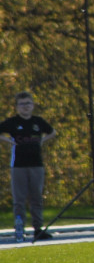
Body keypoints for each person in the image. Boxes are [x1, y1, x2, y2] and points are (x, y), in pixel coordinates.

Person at [0, 91, 57, 242]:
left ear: (32, 105)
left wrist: (43, 141)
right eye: (22, 104)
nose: (25, 107)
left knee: (36, 198)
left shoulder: (38, 122)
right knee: (19, 199)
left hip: (37, 164)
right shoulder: (13, 122)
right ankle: (19, 228)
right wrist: (9, 141)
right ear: (17, 107)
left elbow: (52, 132)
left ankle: (38, 229)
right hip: (18, 165)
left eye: (28, 103)